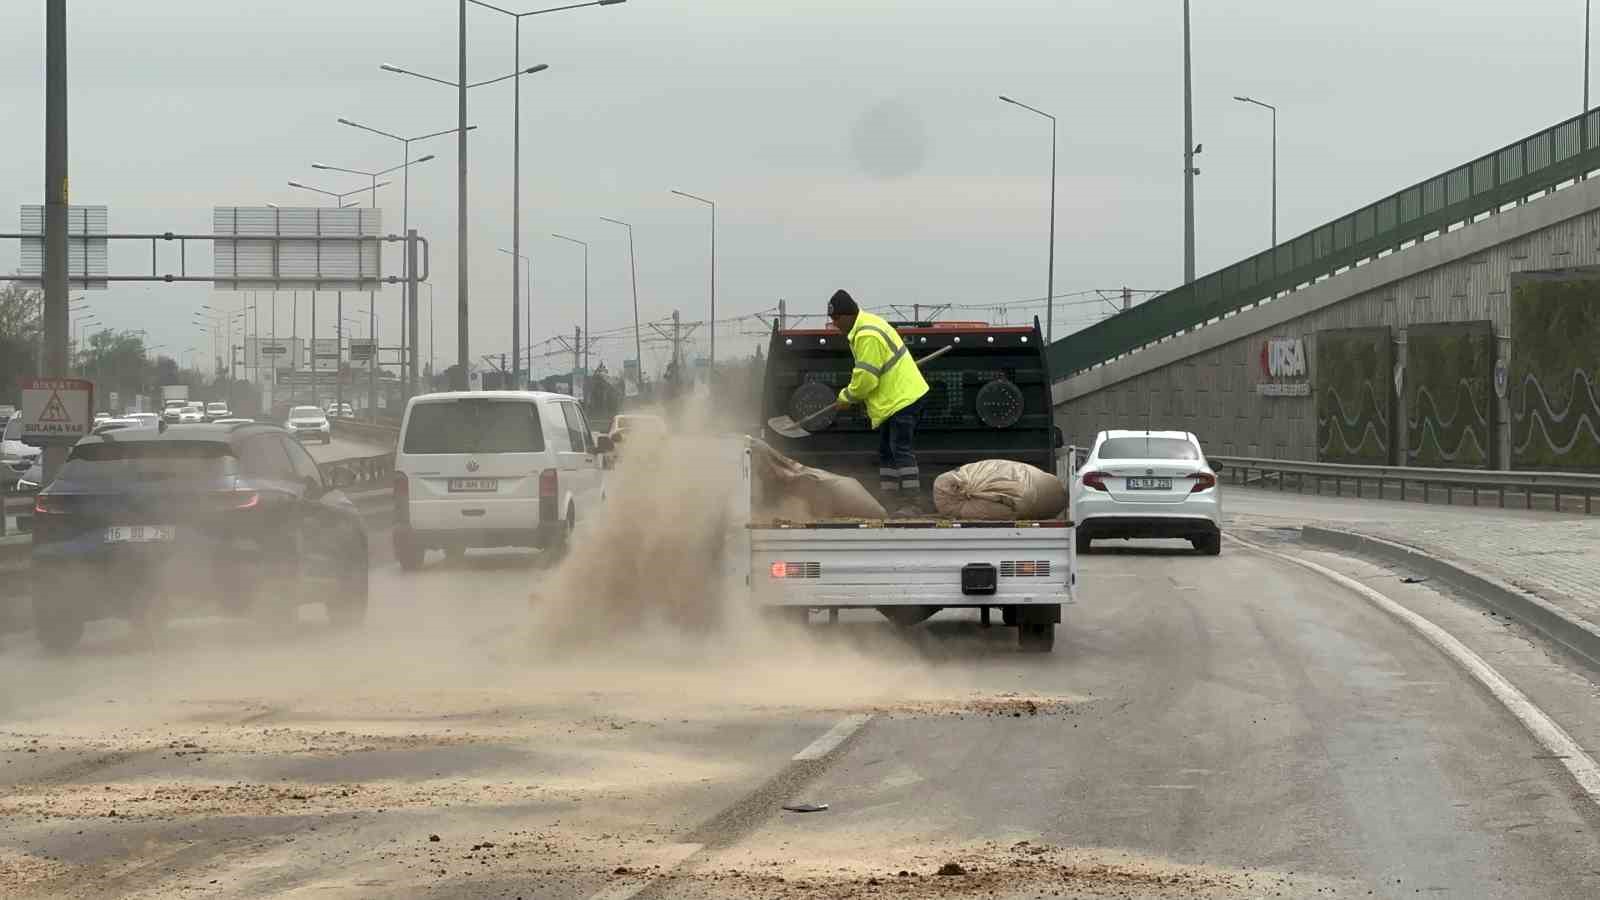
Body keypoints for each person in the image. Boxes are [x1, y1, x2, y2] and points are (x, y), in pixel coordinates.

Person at [828, 289, 930, 510]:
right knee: (886, 451)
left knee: (900, 449)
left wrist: (845, 397)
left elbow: (866, 379)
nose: (834, 324)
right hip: (893, 402)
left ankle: (912, 503)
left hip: (903, 399)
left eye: (835, 319)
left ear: (847, 315)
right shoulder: (866, 325)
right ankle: (890, 500)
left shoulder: (867, 335)